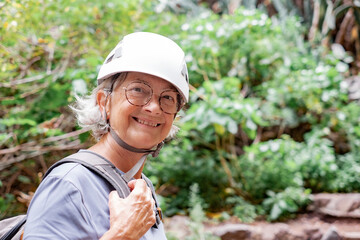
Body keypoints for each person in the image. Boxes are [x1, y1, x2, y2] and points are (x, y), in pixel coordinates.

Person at [23, 32, 189, 239]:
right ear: (104, 102)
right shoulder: (68, 183)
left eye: (167, 97)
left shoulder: (141, 189)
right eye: (138, 90)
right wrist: (124, 234)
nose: (154, 107)